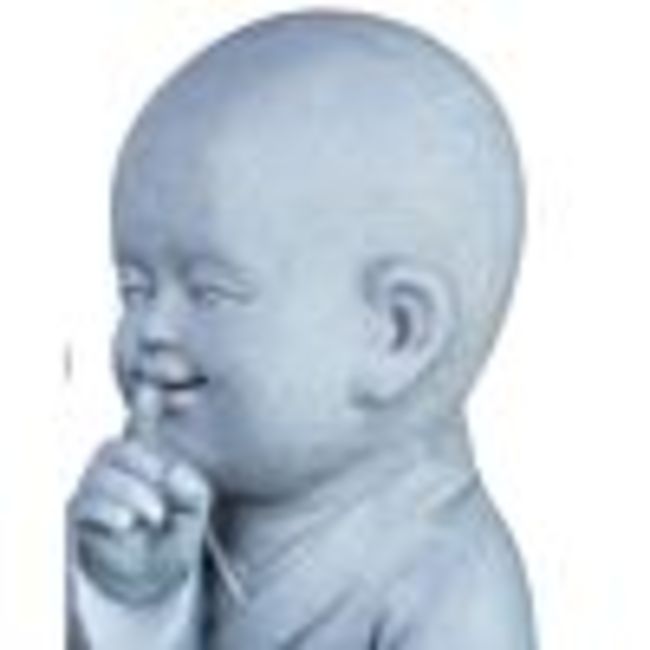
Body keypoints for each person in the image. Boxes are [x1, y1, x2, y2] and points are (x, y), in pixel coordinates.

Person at [67, 10, 536, 649]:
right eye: (135, 290)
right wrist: (129, 600)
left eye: (210, 292)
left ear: (397, 334)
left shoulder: (451, 588)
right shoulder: (172, 518)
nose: (151, 330)